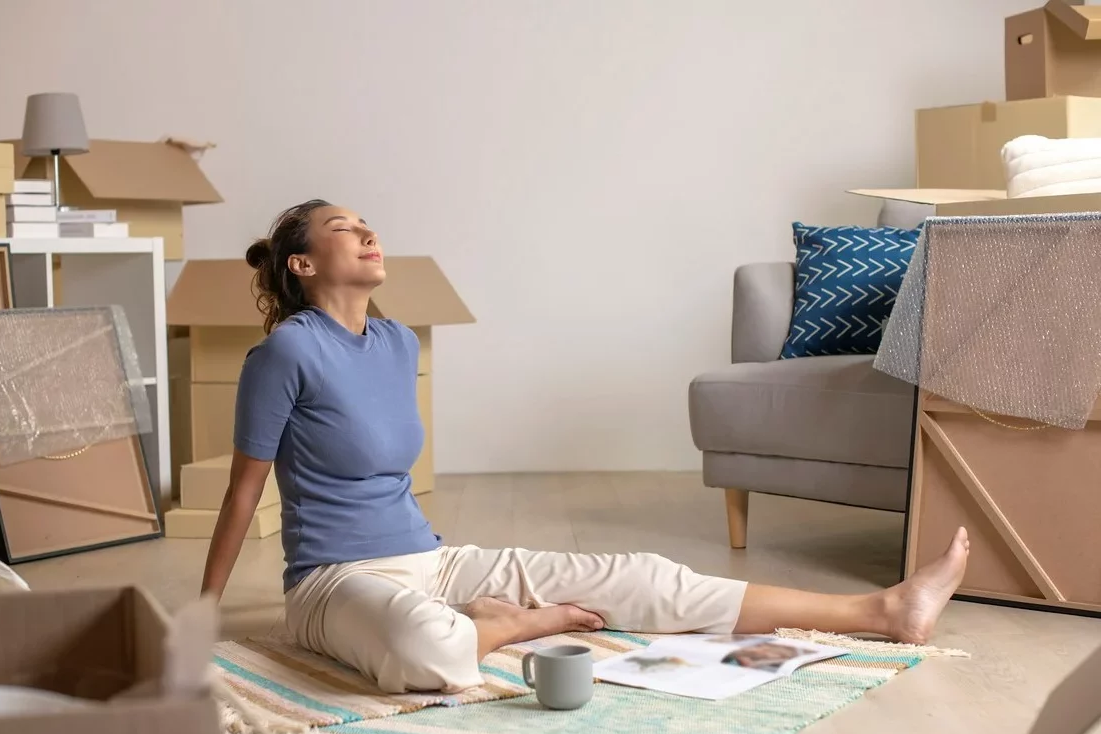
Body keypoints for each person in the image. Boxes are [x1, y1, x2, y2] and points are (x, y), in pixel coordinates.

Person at [199, 200, 971, 696]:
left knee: (641, 577)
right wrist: (202, 613)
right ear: (302, 265)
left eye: (368, 223)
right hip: (335, 580)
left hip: (431, 561)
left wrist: (448, 580)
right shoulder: (284, 355)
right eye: (344, 229)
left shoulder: (397, 342)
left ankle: (881, 610)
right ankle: (518, 623)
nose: (368, 233)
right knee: (422, 647)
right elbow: (244, 492)